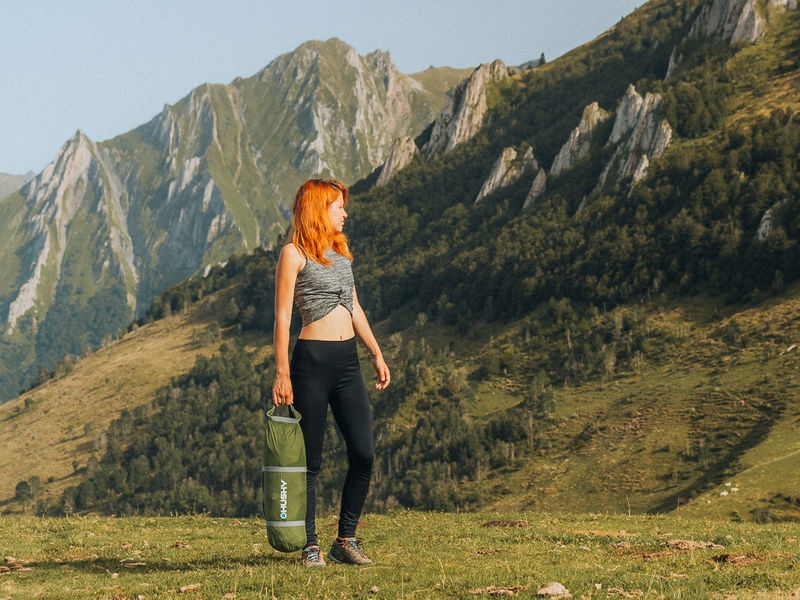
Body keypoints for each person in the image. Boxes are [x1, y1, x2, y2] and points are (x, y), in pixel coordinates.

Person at [272, 178, 390, 567]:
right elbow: (282, 317)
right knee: (310, 462)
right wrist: (282, 373)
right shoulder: (293, 254)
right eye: (339, 206)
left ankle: (346, 540)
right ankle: (310, 546)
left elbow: (354, 306)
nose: (345, 213)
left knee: (364, 452)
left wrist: (376, 352)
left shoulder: (341, 254)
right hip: (312, 364)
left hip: (347, 363)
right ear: (319, 209)